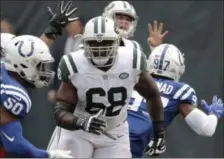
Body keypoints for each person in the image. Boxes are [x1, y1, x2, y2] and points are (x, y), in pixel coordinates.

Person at [47, 16, 165, 158]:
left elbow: (152, 95)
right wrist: (81, 122)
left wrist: (159, 132)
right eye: (94, 44)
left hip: (115, 131)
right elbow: (60, 110)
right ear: (83, 43)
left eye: (106, 42)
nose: (100, 48)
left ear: (117, 41)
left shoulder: (132, 60)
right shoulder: (75, 63)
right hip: (78, 132)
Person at [127, 43, 224, 157]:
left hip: (110, 134)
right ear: (178, 67)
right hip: (131, 145)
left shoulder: (135, 78)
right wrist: (214, 114)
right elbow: (206, 129)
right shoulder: (178, 91)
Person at [0, 35, 73, 158]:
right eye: (39, 66)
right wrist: (48, 155)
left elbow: (25, 54)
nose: (43, 71)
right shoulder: (14, 94)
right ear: (24, 65)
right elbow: (14, 145)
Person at [102, 1, 168, 55]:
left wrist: (154, 48)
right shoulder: (94, 41)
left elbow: (147, 70)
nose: (124, 22)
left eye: (128, 19)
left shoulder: (134, 47)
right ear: (108, 17)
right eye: (120, 18)